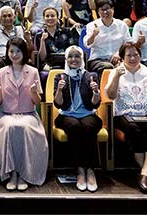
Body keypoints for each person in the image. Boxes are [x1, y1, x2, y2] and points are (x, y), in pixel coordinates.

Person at [105, 42, 147, 194]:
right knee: (133, 129)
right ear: (122, 58)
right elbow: (111, 95)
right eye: (129, 55)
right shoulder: (116, 72)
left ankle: (145, 173)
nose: (132, 58)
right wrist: (117, 76)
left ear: (140, 55)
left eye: (136, 55)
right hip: (125, 113)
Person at [0, 37, 47, 191]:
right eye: (11, 51)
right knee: (10, 126)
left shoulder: (34, 71)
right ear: (7, 52)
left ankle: (25, 173)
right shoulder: (1, 73)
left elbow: (37, 102)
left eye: (18, 51)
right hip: (7, 115)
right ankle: (12, 173)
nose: (14, 54)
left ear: (24, 52)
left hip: (29, 115)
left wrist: (33, 92)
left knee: (23, 127)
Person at [53, 45, 102, 192]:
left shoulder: (91, 75)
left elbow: (95, 104)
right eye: (70, 57)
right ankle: (80, 169)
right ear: (66, 59)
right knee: (74, 126)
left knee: (88, 126)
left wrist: (96, 93)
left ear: (82, 59)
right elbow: (58, 104)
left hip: (87, 113)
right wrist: (59, 90)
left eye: (77, 56)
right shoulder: (60, 76)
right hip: (67, 115)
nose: (74, 59)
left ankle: (91, 170)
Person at [84, 0, 132, 76]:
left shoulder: (122, 25)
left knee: (125, 67)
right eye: (102, 10)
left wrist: (119, 53)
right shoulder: (92, 25)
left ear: (113, 9)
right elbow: (87, 44)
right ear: (98, 12)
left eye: (107, 9)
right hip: (98, 59)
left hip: (118, 58)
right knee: (108, 67)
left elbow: (128, 42)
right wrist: (93, 35)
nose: (105, 12)